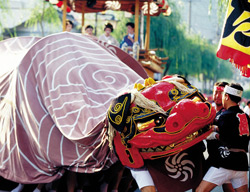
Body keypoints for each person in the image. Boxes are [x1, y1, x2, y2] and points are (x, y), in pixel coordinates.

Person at [196, 83, 250, 192]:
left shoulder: (225, 116)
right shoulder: (246, 116)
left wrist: (213, 134)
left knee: (199, 191)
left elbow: (225, 137)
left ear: (227, 97)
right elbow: (235, 134)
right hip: (241, 164)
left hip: (226, 163)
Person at [206, 82, 234, 192]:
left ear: (226, 96)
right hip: (212, 156)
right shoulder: (209, 111)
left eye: (220, 93)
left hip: (225, 158)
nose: (217, 95)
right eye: (215, 92)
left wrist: (215, 134)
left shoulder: (229, 113)